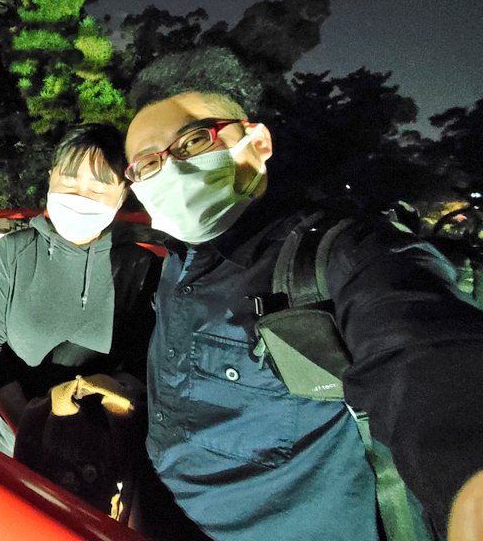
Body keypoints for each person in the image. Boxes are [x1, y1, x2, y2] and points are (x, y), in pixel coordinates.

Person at [123, 47, 483, 540]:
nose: (170, 169)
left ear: (257, 142)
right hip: (159, 513)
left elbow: (427, 357)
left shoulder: (337, 254)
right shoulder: (175, 260)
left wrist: (469, 484)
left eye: (192, 140)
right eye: (147, 163)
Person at [0, 123, 157, 458]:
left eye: (97, 187)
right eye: (69, 181)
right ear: (51, 178)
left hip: (89, 452)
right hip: (1, 438)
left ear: (122, 195)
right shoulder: (11, 252)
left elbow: (144, 360)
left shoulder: (139, 268)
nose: (80, 197)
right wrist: (29, 431)